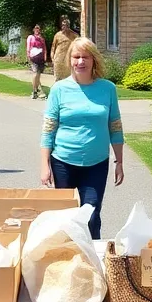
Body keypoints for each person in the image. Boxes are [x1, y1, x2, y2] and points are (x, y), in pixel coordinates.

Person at [39, 37, 124, 238]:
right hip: (63, 162)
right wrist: (44, 164)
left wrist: (119, 161)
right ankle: (66, 258)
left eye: (85, 57)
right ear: (69, 60)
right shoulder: (59, 89)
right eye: (76, 57)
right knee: (65, 217)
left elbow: (115, 126)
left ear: (94, 60)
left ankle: (92, 259)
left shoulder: (108, 88)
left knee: (91, 215)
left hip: (96, 164)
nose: (80, 62)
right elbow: (48, 128)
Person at [51, 15, 78, 81]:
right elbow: (53, 48)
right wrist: (52, 58)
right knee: (58, 79)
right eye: (63, 25)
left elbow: (78, 48)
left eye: (66, 25)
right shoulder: (57, 35)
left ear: (69, 26)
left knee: (69, 79)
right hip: (58, 60)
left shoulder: (75, 36)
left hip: (69, 60)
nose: (64, 27)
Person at [27, 24, 48, 99]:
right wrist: (28, 55)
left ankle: (37, 90)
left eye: (38, 28)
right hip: (34, 57)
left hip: (41, 58)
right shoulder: (31, 37)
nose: (37, 30)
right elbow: (28, 47)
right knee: (35, 74)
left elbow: (44, 48)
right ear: (33, 29)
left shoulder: (42, 38)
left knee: (38, 75)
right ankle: (34, 91)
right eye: (36, 28)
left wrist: (45, 56)